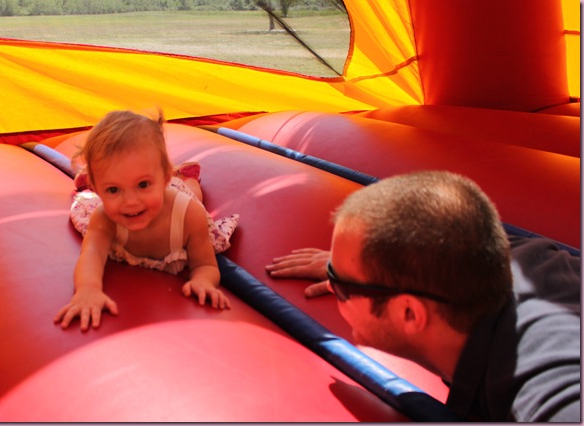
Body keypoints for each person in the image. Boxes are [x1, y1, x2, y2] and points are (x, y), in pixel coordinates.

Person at [265, 170, 580, 422]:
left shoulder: (547, 387)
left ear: (409, 313)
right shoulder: (500, 254)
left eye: (341, 285)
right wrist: (351, 267)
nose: (333, 287)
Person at [55, 110, 238, 331]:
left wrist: (203, 280)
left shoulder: (189, 215)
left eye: (143, 185)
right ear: (98, 190)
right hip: (138, 189)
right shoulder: (104, 219)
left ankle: (187, 176)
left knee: (193, 195)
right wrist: (87, 290)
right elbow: (91, 255)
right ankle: (93, 178)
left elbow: (206, 265)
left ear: (165, 177)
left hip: (177, 196)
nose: (131, 202)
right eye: (113, 189)